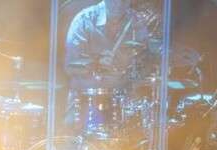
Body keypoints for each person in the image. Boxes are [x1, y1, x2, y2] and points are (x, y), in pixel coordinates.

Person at [63, 0, 157, 135]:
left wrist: (137, 71)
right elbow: (70, 67)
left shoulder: (137, 21)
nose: (119, 4)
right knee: (77, 141)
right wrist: (96, 62)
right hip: (86, 99)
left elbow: (145, 61)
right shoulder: (84, 20)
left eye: (124, 0)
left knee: (136, 138)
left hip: (123, 99)